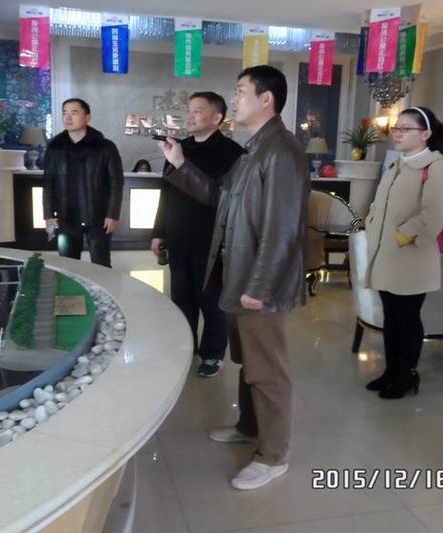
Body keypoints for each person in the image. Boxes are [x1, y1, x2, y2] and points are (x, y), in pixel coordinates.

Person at [158, 66, 308, 490]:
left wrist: (259, 288)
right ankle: (250, 426)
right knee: (250, 363)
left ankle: (274, 455)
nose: (235, 99)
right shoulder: (255, 150)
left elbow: (282, 230)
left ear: (266, 99)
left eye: (241, 91)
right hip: (241, 276)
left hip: (262, 286)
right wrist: (180, 163)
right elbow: (219, 198)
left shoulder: (282, 152)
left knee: (268, 371)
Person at [151, 92, 244, 378]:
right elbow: (166, 193)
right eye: (189, 110)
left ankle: (213, 354)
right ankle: (185, 345)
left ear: (217, 118)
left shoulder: (233, 153)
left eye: (197, 110)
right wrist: (159, 231)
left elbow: (222, 200)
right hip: (178, 237)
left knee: (212, 303)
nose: (189, 115)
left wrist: (182, 164)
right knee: (181, 299)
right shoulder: (179, 147)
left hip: (212, 243)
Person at [362, 106, 443, 399]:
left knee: (407, 316)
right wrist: (372, 224)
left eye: (405, 128)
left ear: (425, 134)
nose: (397, 133)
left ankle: (407, 374)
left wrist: (403, 235)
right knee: (391, 315)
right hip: (386, 254)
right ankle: (391, 371)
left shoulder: (436, 166)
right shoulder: (397, 163)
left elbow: (434, 213)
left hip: (411, 256)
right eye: (396, 128)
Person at [43, 98, 124, 268]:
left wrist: (112, 214)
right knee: (68, 266)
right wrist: (49, 215)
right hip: (66, 216)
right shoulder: (55, 148)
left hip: (98, 216)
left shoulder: (105, 147)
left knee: (101, 265)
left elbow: (116, 183)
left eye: (74, 113)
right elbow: (48, 183)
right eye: (64, 113)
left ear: (87, 117)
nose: (68, 117)